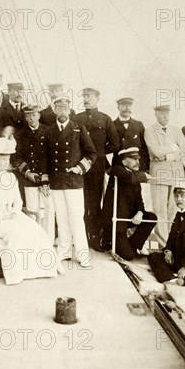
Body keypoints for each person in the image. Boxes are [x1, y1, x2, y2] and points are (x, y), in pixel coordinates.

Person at [0, 136, 60, 285]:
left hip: (14, 215)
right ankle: (17, 273)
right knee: (16, 233)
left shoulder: (11, 177)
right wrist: (1, 216)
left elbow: (18, 200)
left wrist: (15, 212)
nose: (6, 162)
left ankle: (39, 269)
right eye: (2, 159)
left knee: (36, 230)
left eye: (8, 158)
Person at [44, 97, 97, 268]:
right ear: (54, 111)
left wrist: (79, 167)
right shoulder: (50, 131)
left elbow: (91, 153)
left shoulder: (78, 129)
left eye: (64, 108)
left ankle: (82, 254)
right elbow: (45, 158)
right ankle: (64, 251)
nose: (61, 111)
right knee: (62, 218)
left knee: (76, 218)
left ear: (69, 110)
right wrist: (46, 180)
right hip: (57, 182)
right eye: (58, 108)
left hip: (74, 181)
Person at [74, 87, 120, 250]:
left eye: (90, 96)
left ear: (98, 98)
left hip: (96, 168)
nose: (87, 99)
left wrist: (98, 154)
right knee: (79, 203)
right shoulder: (76, 118)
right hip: (78, 167)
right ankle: (78, 237)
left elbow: (115, 144)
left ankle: (93, 237)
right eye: (84, 96)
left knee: (93, 203)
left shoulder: (105, 119)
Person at [144, 103, 185, 245]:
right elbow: (155, 151)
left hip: (176, 175)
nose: (165, 116)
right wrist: (173, 148)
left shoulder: (176, 131)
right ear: (156, 114)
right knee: (159, 211)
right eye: (162, 113)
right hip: (159, 175)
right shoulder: (150, 131)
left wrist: (167, 156)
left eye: (167, 113)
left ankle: (172, 243)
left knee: (174, 209)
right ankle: (163, 244)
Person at [101, 148, 157, 260]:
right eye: (134, 159)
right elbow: (129, 177)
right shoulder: (117, 170)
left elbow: (139, 201)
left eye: (138, 159)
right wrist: (144, 176)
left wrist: (140, 213)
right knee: (129, 256)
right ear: (124, 161)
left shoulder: (134, 175)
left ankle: (133, 245)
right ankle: (110, 241)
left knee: (151, 217)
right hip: (115, 221)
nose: (138, 162)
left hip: (127, 218)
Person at [14, 104, 55, 244]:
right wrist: (27, 173)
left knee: (49, 210)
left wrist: (46, 175)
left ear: (39, 115)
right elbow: (16, 157)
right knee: (32, 211)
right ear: (25, 117)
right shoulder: (20, 134)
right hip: (29, 178)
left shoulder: (49, 131)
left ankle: (48, 241)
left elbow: (52, 156)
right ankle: (34, 241)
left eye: (34, 114)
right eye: (28, 115)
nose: (31, 117)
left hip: (46, 178)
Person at [112, 97, 149, 171]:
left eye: (129, 105)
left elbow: (145, 147)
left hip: (137, 165)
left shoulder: (138, 124)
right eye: (124, 105)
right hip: (120, 165)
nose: (127, 108)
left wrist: (147, 167)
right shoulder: (112, 125)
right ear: (118, 107)